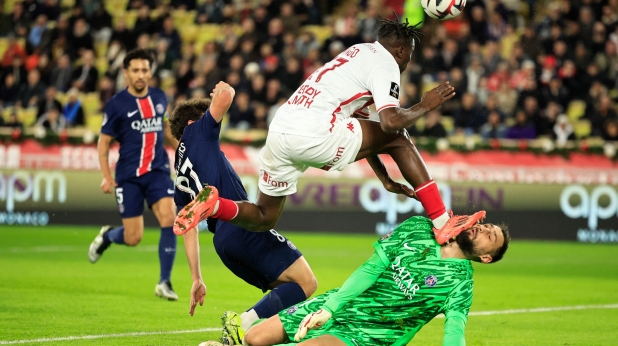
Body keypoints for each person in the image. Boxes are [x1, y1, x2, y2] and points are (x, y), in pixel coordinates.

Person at [174, 18, 483, 246]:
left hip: (281, 127)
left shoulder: (359, 52)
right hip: (315, 128)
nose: (408, 62)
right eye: (409, 55)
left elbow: (366, 126)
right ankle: (442, 221)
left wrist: (385, 178)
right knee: (399, 139)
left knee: (264, 215)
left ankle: (214, 206)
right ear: (400, 50)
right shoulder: (387, 64)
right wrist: (425, 105)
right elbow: (389, 125)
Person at [198, 214, 510, 346]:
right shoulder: (419, 227)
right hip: (339, 305)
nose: (483, 229)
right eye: (486, 226)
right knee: (254, 338)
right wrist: (330, 308)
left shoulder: (461, 284)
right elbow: (371, 269)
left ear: (486, 258)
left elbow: (454, 330)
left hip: (368, 337)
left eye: (491, 236)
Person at [168, 82, 318, 345]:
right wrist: (219, 90)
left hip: (223, 244)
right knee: (307, 282)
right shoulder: (197, 132)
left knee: (286, 289)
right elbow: (226, 95)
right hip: (240, 224)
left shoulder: (179, 171)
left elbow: (186, 226)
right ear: (192, 122)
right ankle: (242, 323)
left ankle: (257, 337)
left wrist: (197, 278)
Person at [88, 49, 180, 300]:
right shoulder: (116, 104)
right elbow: (104, 144)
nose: (141, 75)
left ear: (151, 72)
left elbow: (168, 131)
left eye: (145, 70)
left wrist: (184, 152)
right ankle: (108, 235)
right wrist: (107, 177)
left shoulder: (160, 97)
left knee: (169, 217)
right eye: (136, 70)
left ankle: (164, 281)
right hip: (128, 176)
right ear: (126, 73)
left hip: (158, 171)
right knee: (133, 237)